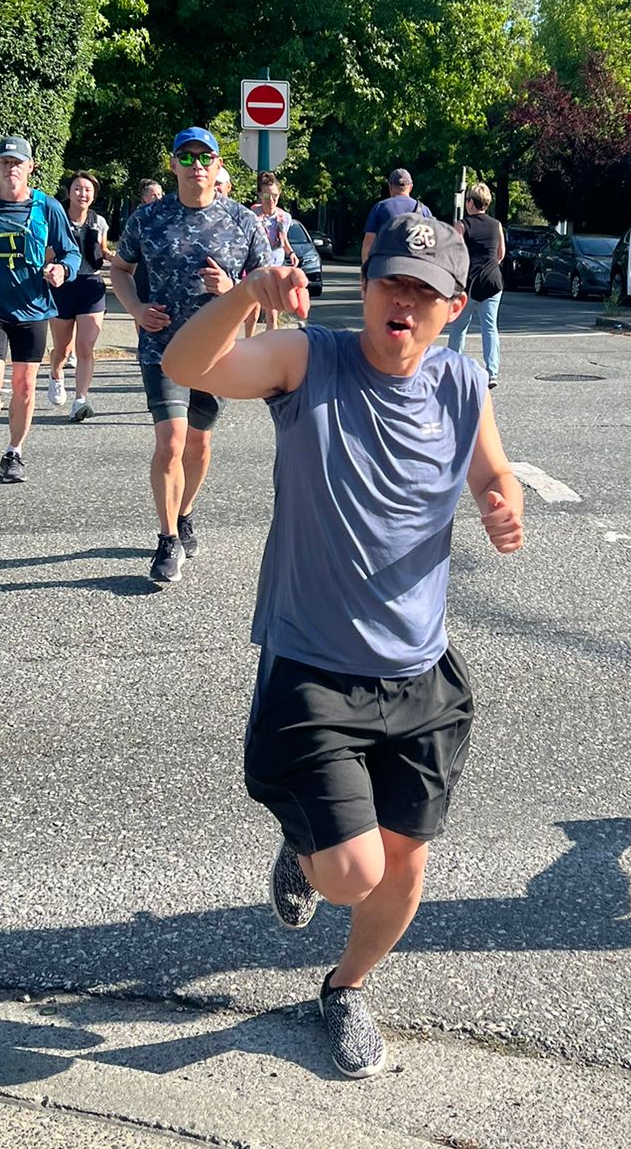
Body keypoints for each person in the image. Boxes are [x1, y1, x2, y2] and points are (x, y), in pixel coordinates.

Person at [163, 213, 526, 1077]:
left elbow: (492, 470)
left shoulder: (463, 382)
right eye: (389, 280)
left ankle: (345, 988)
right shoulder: (308, 359)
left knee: (405, 872)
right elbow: (186, 366)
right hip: (315, 668)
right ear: (363, 287)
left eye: (423, 289)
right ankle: (308, 843)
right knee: (350, 874)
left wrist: (504, 502)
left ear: (454, 307)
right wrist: (253, 293)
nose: (402, 299)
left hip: (421, 671)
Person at [108, 128, 271, 584]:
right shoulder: (148, 218)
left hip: (218, 353)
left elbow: (265, 285)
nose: (196, 164)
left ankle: (185, 513)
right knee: (171, 442)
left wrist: (234, 292)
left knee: (199, 445)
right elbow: (120, 269)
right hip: (163, 349)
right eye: (187, 156)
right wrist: (137, 310)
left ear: (219, 165)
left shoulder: (243, 221)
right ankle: (166, 540)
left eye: (205, 157)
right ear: (174, 164)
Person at [0, 136, 81, 484]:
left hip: (33, 308)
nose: (11, 168)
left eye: (17, 163)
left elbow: (70, 252)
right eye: (5, 162)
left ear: (30, 168)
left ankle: (15, 452)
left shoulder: (46, 207)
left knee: (24, 386)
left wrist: (62, 270)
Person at [46, 171, 110, 420]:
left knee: (85, 347)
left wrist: (113, 257)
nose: (83, 194)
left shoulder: (99, 222)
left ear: (93, 195)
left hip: (91, 285)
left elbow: (102, 249)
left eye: (88, 190)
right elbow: (44, 254)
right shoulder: (55, 219)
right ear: (69, 192)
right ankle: (55, 373)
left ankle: (80, 399)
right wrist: (50, 258)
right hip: (62, 285)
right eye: (78, 189)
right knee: (62, 349)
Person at [448, 182, 506, 389]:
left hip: (469, 283)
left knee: (459, 327)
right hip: (492, 280)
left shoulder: (462, 225)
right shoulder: (496, 225)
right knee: (490, 327)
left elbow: (454, 254)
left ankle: (453, 367)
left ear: (470, 202)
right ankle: (492, 372)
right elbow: (501, 254)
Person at [244, 171, 299, 335]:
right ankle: (249, 342)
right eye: (267, 196)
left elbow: (283, 240)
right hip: (256, 267)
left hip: (275, 267)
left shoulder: (284, 217)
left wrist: (291, 253)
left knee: (272, 310)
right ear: (260, 195)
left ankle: (270, 343)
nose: (271, 200)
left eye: (275, 196)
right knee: (253, 310)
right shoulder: (252, 215)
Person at [360, 168, 431, 266]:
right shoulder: (424, 210)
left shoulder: (380, 207)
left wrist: (365, 269)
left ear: (390, 187)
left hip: (387, 265)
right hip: (415, 267)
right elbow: (430, 245)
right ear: (410, 187)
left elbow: (368, 242)